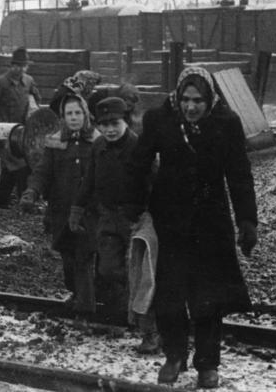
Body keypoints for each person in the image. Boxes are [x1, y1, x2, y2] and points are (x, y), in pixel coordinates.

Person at [126, 66, 258, 387]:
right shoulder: (160, 120)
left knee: (207, 298)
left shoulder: (226, 124)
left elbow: (239, 175)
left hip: (211, 224)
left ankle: (207, 364)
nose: (191, 106)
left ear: (209, 98)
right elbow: (139, 163)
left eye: (198, 100)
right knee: (170, 295)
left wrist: (247, 221)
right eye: (185, 99)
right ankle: (174, 356)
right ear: (177, 96)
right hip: (169, 222)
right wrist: (134, 205)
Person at [71, 96, 159, 353]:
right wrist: (77, 210)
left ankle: (151, 333)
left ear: (126, 121)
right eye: (104, 124)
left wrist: (157, 214)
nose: (109, 130)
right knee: (108, 269)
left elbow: (155, 181)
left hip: (137, 219)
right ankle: (127, 311)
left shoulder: (138, 146)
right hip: (107, 218)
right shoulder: (98, 147)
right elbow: (89, 181)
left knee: (142, 276)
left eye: (114, 123)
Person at [19, 93, 97, 314]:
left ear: (85, 114)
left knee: (83, 258)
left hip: (87, 213)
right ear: (63, 117)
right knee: (68, 258)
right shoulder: (55, 143)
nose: (74, 117)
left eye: (78, 113)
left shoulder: (96, 142)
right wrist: (32, 192)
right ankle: (77, 294)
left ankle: (86, 310)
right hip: (61, 211)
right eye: (69, 113)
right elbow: (43, 172)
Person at [0, 47, 42, 209]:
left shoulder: (28, 81)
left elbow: (36, 99)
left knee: (16, 167)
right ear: (11, 66)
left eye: (23, 66)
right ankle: (20, 201)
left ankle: (5, 200)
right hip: (6, 132)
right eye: (16, 66)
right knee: (17, 165)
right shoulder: (0, 83)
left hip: (24, 131)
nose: (19, 69)